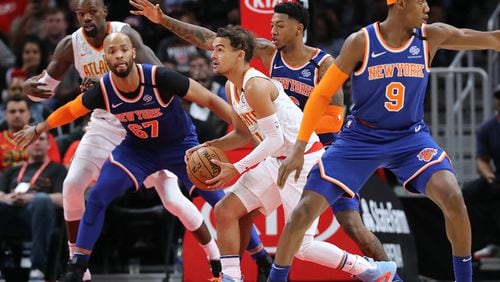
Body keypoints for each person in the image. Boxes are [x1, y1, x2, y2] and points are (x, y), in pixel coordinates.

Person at [130, 0, 394, 271]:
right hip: (278, 152)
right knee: (234, 212)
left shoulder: (322, 64)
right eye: (271, 25)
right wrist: (163, 20)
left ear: (299, 29)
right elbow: (211, 39)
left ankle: (382, 272)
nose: (273, 31)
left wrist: (298, 132)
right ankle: (237, 273)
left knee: (348, 226)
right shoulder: (265, 56)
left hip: (316, 155)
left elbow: (335, 118)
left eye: (280, 25)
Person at [272, 0, 500, 281]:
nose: (428, 7)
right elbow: (321, 94)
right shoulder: (361, 41)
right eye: (421, 2)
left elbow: (489, 38)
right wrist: (299, 145)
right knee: (302, 212)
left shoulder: (431, 36)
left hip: (410, 138)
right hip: (360, 138)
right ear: (400, 4)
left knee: (453, 197)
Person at [21, 0, 227, 280]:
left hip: (141, 123)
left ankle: (213, 254)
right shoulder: (71, 45)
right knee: (72, 185)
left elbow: (160, 77)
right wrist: (27, 87)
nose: (87, 18)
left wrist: (109, 85)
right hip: (104, 125)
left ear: (104, 11)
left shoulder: (125, 35)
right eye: (81, 13)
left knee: (172, 199)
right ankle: (78, 265)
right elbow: (44, 90)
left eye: (92, 11)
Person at [184, 25, 396, 282]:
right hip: (277, 160)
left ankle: (367, 269)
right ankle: (231, 277)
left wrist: (237, 168)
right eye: (213, 50)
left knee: (301, 247)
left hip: (303, 162)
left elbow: (275, 139)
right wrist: (208, 145)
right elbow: (243, 135)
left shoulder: (255, 86)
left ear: (240, 54)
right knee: (225, 209)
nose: (213, 55)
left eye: (220, 49)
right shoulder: (231, 87)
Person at [0, 131, 67, 281]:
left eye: (41, 139)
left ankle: (37, 268)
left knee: (42, 200)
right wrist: (8, 197)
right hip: (12, 214)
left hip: (39, 216)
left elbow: (62, 198)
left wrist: (32, 197)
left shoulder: (58, 169)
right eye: (33, 140)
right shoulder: (13, 170)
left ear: (49, 144)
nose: (37, 143)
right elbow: (0, 193)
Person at [463, 86, 500, 260]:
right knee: (467, 193)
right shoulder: (488, 128)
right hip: (497, 175)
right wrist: (491, 178)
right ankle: (483, 243)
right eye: (498, 96)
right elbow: (482, 160)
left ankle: (495, 242)